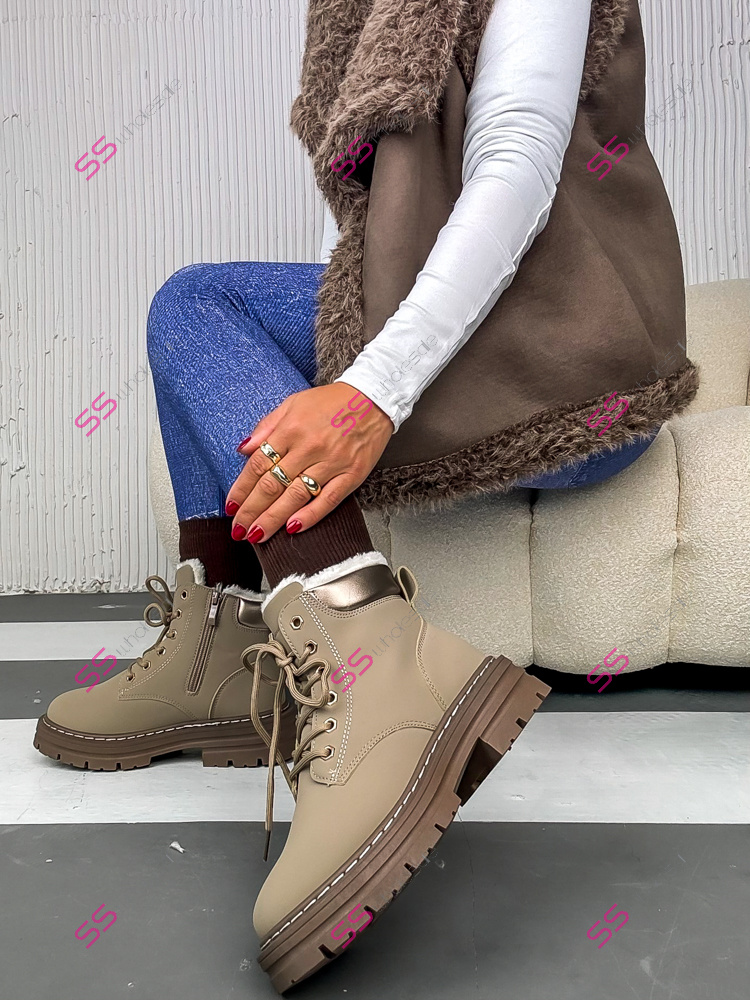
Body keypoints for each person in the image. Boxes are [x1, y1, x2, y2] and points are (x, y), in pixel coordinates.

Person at [35, 0, 698, 989]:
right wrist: (338, 376)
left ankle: (369, 653)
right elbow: (370, 244)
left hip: (572, 372)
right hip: (473, 349)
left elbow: (514, 164)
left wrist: (371, 394)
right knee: (195, 305)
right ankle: (229, 643)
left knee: (210, 308)